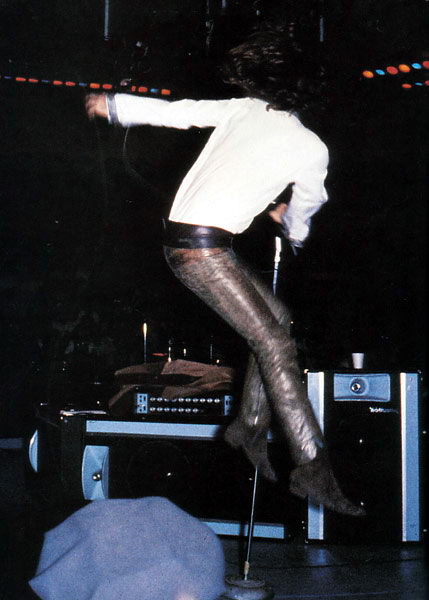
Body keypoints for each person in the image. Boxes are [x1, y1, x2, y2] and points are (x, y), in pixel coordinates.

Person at [86, 29, 364, 516]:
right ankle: (312, 466)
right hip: (202, 254)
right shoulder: (311, 148)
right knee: (275, 345)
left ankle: (249, 425)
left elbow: (178, 112)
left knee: (278, 320)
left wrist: (114, 106)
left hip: (198, 246)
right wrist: (292, 227)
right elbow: (306, 210)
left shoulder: (244, 110)